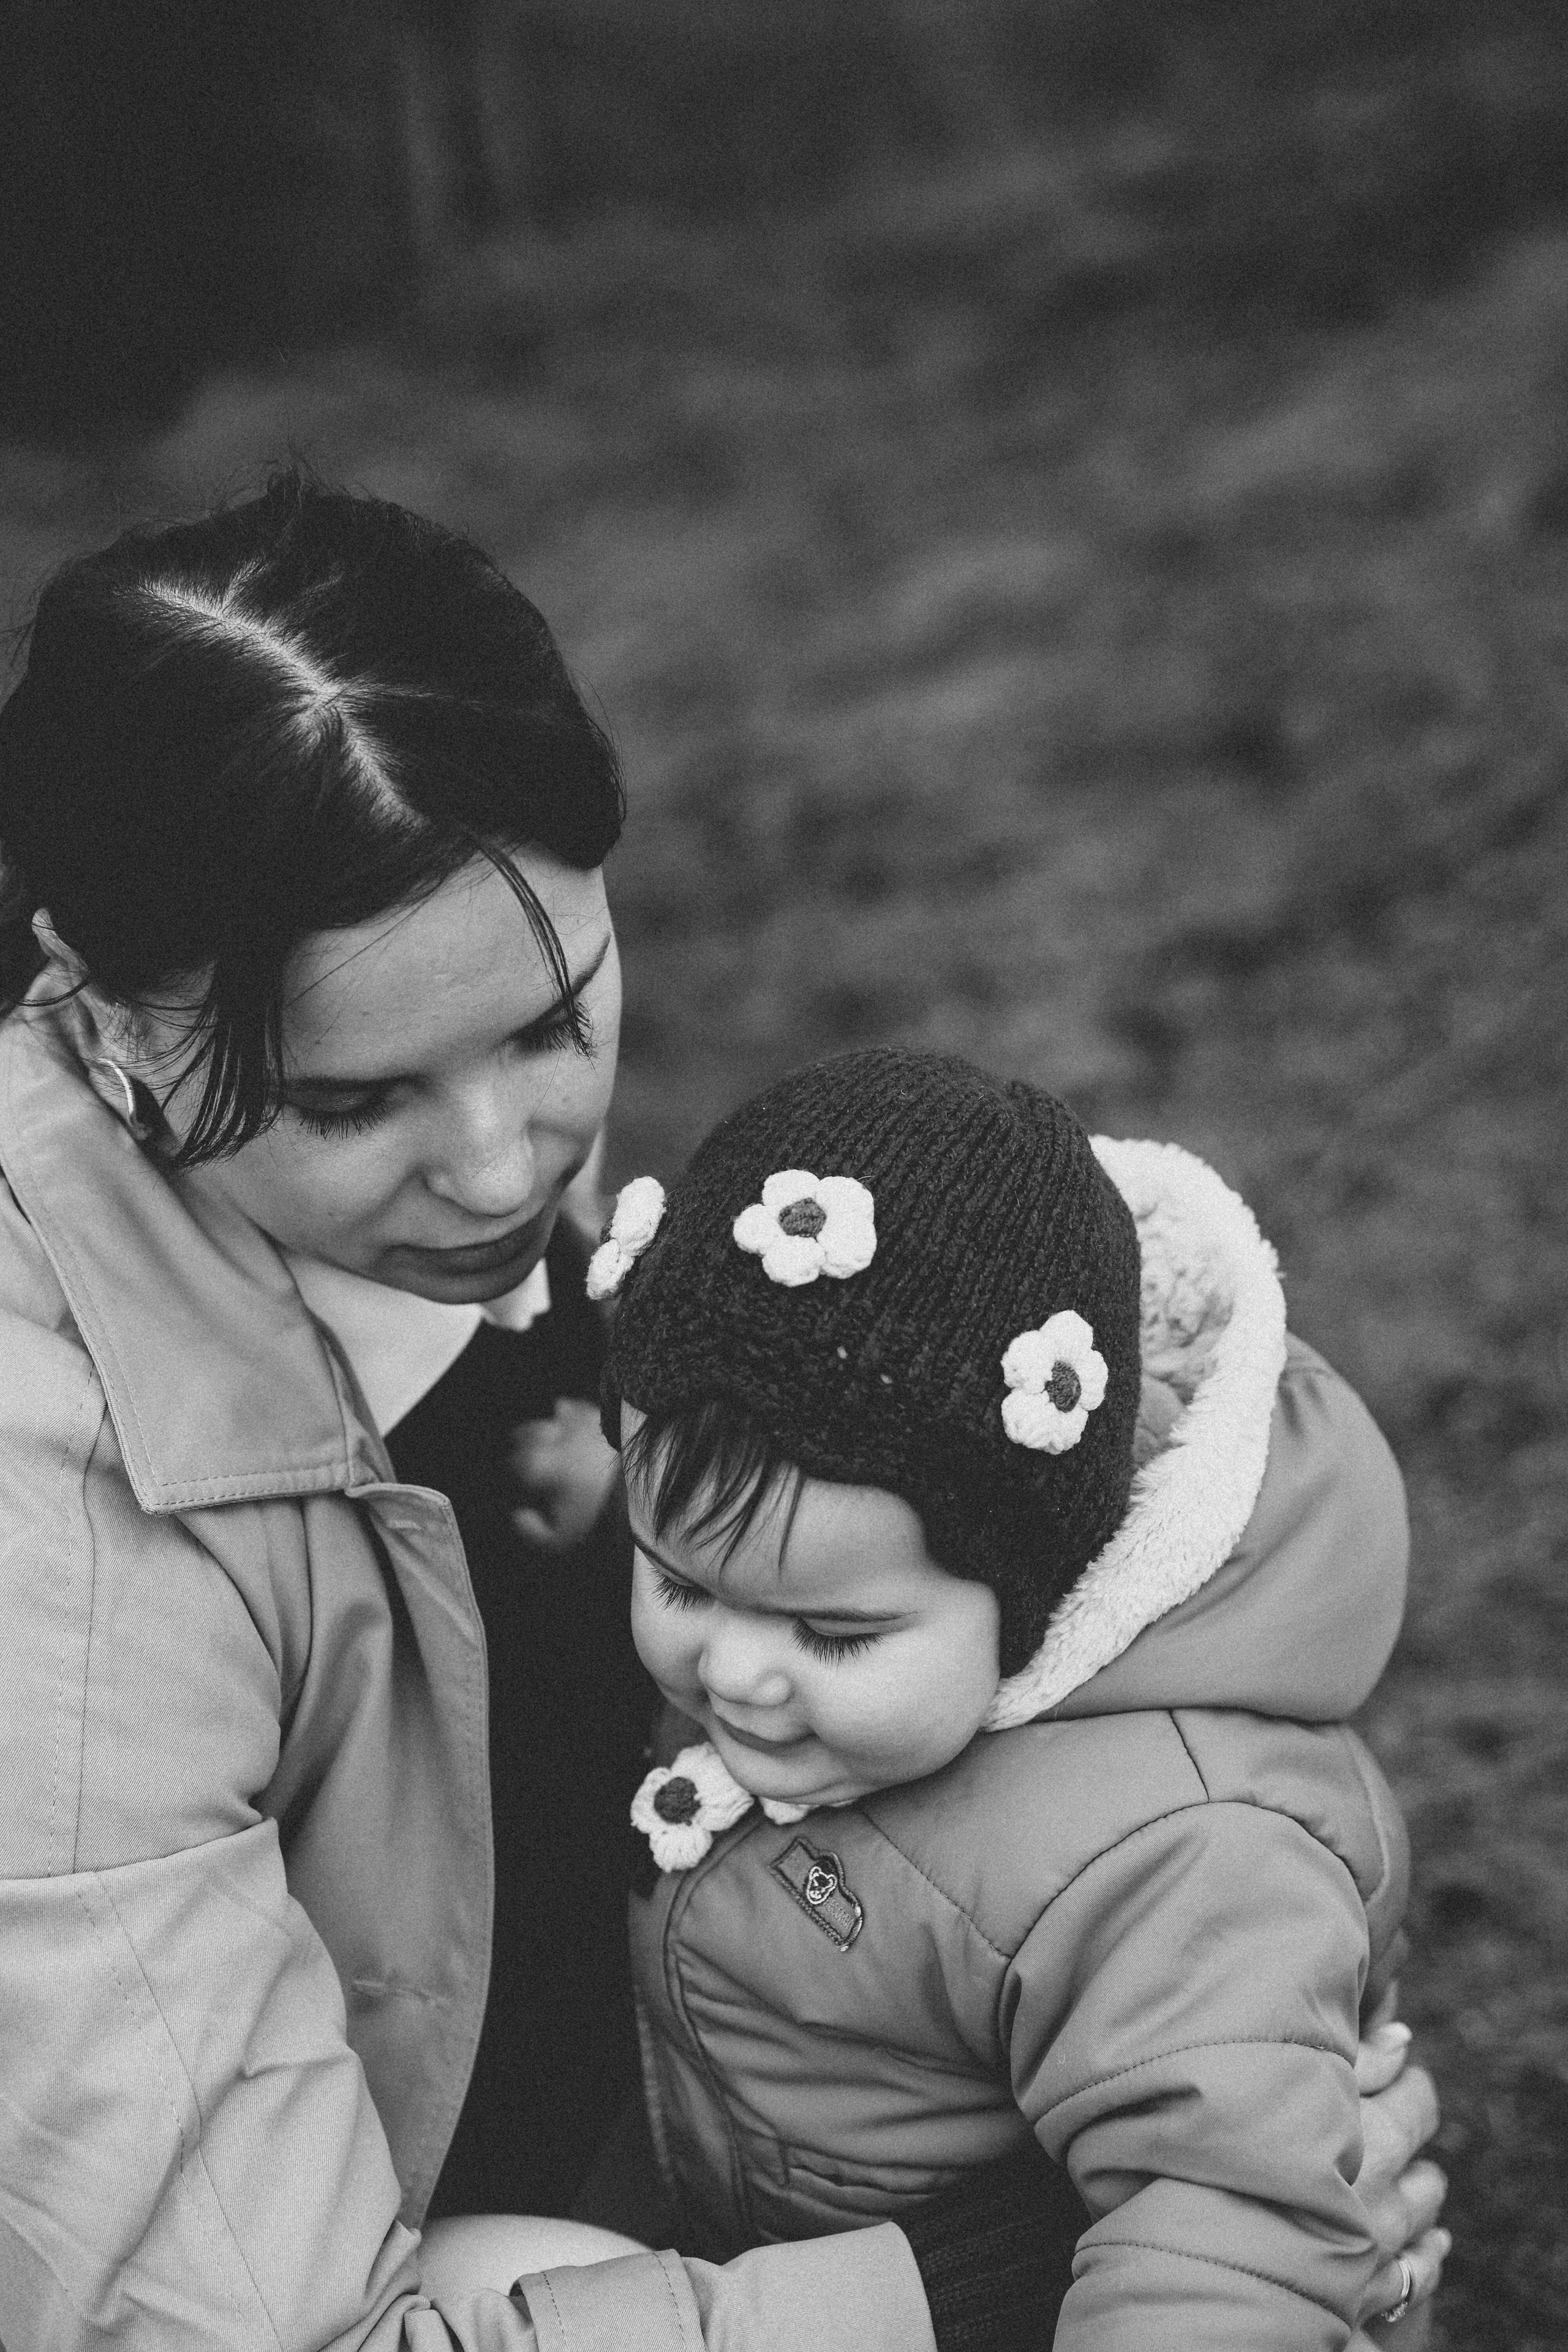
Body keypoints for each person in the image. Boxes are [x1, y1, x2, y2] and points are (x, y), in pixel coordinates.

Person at [0, 471, 1444, 2350]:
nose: (508, 1165)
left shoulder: (429, 1213)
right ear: (103, 1023)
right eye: (354, 1104)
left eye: (553, 1021)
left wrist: (1213, 2134)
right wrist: (979, 2282)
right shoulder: (59, 1587)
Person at [598, 1047, 1450, 2348]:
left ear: (1036, 1589)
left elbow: (1223, 2246)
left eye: (829, 1631)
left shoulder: (1176, 1857)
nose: (730, 1671)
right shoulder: (838, 1635)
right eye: (676, 1578)